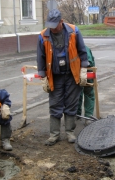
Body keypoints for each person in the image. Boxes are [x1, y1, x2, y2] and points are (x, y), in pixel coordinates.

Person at [37, 9, 89, 146]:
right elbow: (40, 58)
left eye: (55, 25)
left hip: (72, 75)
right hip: (55, 76)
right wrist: (43, 77)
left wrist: (83, 70)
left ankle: (70, 133)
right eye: (50, 25)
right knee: (55, 104)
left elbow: (82, 51)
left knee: (71, 103)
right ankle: (54, 135)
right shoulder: (43, 36)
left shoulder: (74, 31)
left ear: (61, 21)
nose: (52, 29)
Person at [77, 46, 95, 126]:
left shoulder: (81, 48)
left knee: (82, 94)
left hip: (86, 74)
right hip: (86, 73)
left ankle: (79, 115)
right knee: (82, 94)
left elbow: (89, 62)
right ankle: (87, 117)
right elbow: (90, 62)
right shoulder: (84, 47)